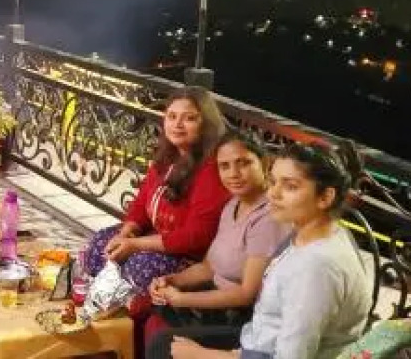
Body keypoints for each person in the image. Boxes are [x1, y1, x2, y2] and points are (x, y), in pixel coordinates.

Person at [149, 142, 373, 359]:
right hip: (257, 339)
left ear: (325, 197)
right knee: (162, 332)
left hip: (262, 347)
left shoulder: (316, 268)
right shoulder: (318, 234)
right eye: (273, 182)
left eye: (290, 186)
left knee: (163, 347)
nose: (273, 194)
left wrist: (201, 355)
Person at [82, 86, 231, 306]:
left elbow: (195, 236)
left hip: (189, 257)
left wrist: (136, 245)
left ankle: (129, 317)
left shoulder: (211, 169)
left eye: (189, 118)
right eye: (172, 116)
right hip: (156, 238)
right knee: (100, 245)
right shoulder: (168, 157)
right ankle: (99, 304)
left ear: (206, 124)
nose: (178, 124)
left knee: (138, 267)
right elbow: (142, 202)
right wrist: (128, 231)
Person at [144, 131, 288, 353]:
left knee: (162, 343)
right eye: (225, 166)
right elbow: (208, 267)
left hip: (243, 318)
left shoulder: (268, 217)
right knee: (156, 299)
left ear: (265, 163)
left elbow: (246, 294)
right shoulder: (232, 205)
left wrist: (183, 299)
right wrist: (172, 280)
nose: (234, 174)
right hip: (217, 304)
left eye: (244, 163)